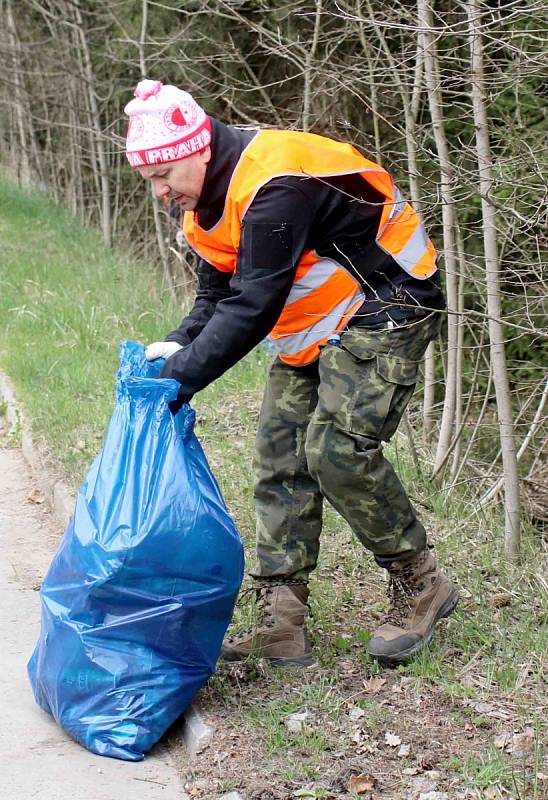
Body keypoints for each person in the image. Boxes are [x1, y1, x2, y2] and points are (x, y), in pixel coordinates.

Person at [125, 79, 459, 667]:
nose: (159, 192)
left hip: (390, 300)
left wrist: (181, 381)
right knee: (279, 452)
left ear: (198, 148)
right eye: (149, 179)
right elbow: (216, 298)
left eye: (164, 174)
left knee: (336, 451)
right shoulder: (206, 205)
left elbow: (253, 305)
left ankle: (422, 583)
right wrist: (170, 349)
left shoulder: (274, 185)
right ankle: (282, 624)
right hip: (320, 316)